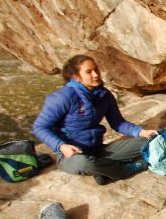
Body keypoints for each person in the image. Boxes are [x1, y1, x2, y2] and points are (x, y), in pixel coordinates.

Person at [32, 54, 157, 185]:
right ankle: (124, 169)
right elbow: (39, 127)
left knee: (151, 141)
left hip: (99, 150)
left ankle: (103, 171)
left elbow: (118, 123)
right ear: (76, 77)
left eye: (96, 69)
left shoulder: (104, 95)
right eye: (89, 72)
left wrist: (141, 132)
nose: (96, 75)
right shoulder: (62, 97)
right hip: (72, 155)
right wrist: (61, 146)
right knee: (84, 163)